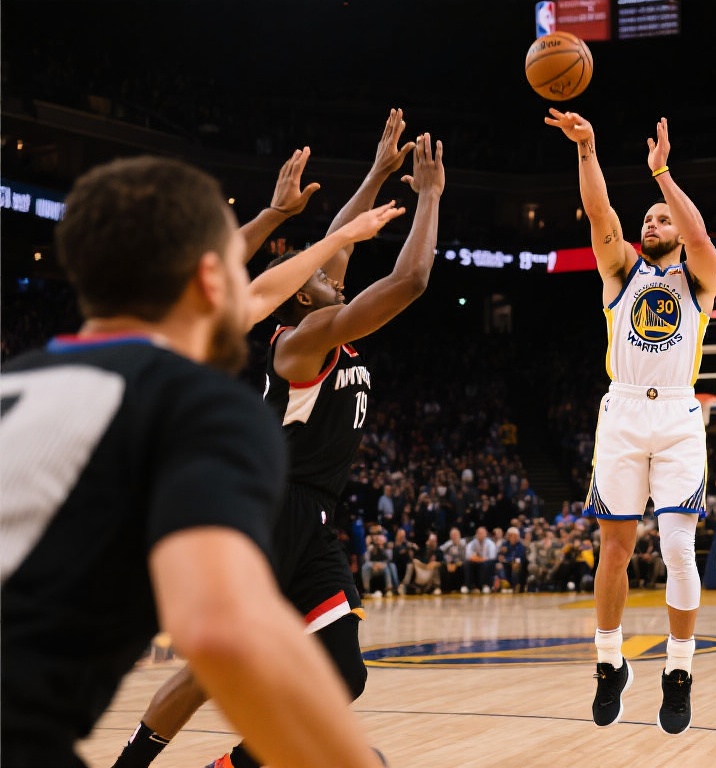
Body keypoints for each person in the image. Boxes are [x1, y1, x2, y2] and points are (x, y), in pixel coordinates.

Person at [0, 155, 388, 768]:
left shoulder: (18, 383)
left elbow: (255, 287)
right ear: (211, 278)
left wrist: (281, 218)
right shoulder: (196, 413)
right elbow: (220, 634)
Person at [111, 108, 442, 768]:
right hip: (267, 513)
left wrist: (378, 171)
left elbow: (339, 240)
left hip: (309, 520)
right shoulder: (302, 342)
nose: (329, 271)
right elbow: (409, 281)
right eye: (319, 277)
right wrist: (429, 197)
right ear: (299, 301)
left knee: (344, 674)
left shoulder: (326, 319)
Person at [545, 109, 716, 736]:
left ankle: (678, 671)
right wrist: (588, 148)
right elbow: (600, 217)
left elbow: (701, 240)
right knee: (615, 551)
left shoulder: (699, 279)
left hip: (677, 413)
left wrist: (664, 176)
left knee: (677, 545)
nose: (651, 221)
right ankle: (608, 660)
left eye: (660, 217)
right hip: (622, 411)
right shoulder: (621, 272)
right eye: (647, 216)